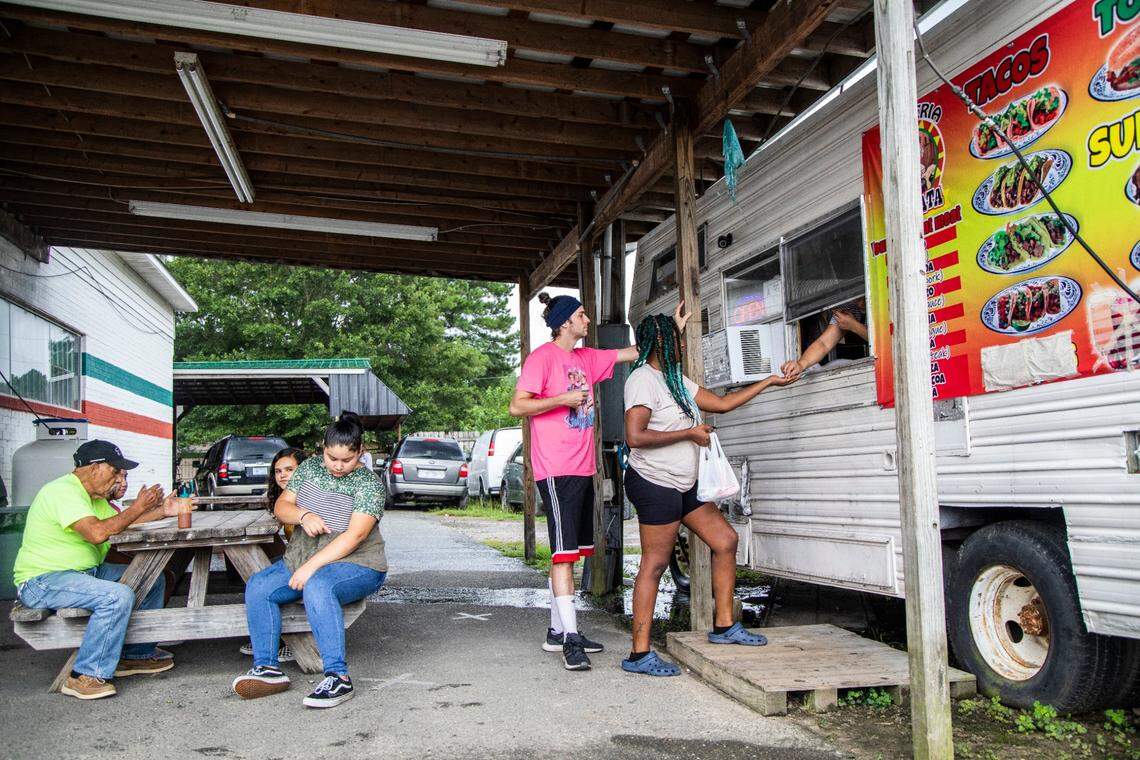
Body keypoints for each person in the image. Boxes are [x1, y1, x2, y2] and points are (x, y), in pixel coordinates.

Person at [621, 309, 797, 676]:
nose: (683, 344)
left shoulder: (676, 380)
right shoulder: (642, 381)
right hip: (655, 483)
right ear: (663, 344)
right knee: (654, 564)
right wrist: (688, 434)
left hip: (686, 483)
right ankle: (639, 653)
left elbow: (723, 403)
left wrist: (770, 381)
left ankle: (724, 625)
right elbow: (634, 437)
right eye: (677, 340)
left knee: (725, 540)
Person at [509, 292, 653, 671]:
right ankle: (571, 638)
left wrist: (671, 327)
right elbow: (517, 405)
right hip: (554, 468)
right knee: (561, 553)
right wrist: (561, 399)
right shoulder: (541, 359)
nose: (588, 320)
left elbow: (631, 353)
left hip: (583, 465)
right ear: (564, 322)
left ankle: (559, 632)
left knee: (573, 550)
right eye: (581, 315)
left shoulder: (586, 358)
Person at [13, 440, 194, 700]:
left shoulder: (93, 498)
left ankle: (135, 655)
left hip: (84, 573)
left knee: (153, 578)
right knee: (116, 596)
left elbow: (118, 523)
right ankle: (85, 677)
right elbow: (98, 532)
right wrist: (137, 507)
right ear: (94, 467)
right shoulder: (62, 491)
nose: (120, 478)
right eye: (116, 471)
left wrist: (162, 510)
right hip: (44, 580)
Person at [231, 413, 387, 708]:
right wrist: (303, 515)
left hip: (359, 564)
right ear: (322, 449)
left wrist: (311, 566)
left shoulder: (370, 485)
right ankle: (267, 668)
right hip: (303, 558)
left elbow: (354, 537)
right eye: (332, 458)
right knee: (259, 587)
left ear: (360, 453)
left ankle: (338, 677)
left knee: (318, 586)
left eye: (347, 460)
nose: (339, 466)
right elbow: (282, 506)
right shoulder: (309, 470)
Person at [238, 446, 309, 662]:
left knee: (259, 578)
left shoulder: (310, 496)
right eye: (278, 471)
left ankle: (283, 643)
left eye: (289, 469)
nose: (283, 475)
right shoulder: (284, 498)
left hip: (310, 564)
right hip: (297, 557)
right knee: (258, 563)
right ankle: (269, 637)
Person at [780, 298, 867, 381]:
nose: (861, 303)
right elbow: (824, 343)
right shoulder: (850, 308)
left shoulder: (878, 305)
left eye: (864, 298)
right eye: (857, 299)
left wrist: (854, 326)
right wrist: (801, 365)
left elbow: (880, 339)